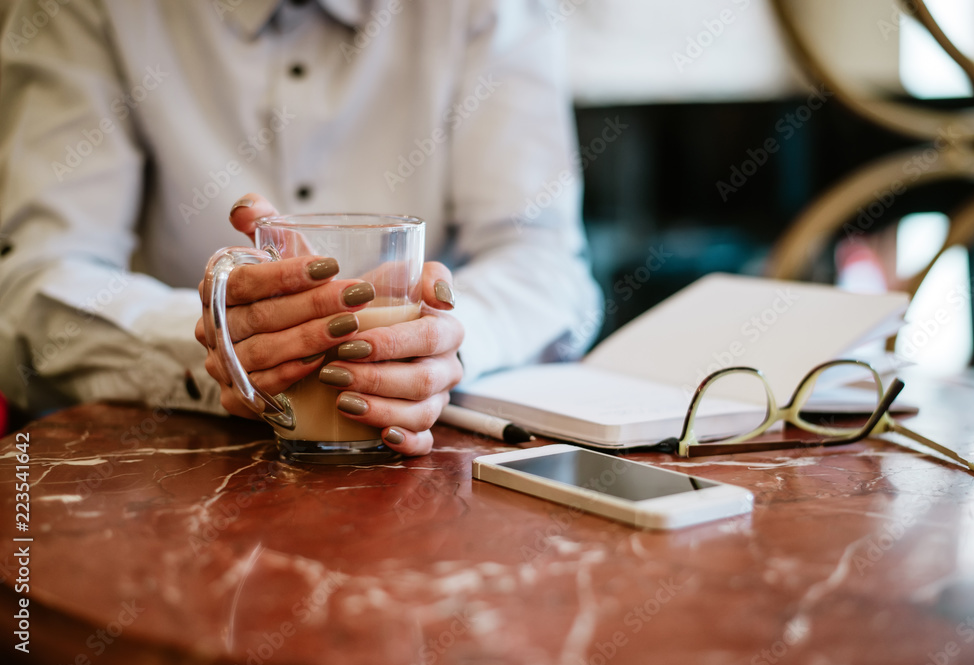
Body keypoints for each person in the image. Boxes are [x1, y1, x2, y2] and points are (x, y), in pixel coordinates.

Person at [0, 0, 601, 453]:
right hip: (184, 462)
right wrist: (217, 352)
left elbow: (544, 261)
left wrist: (443, 346)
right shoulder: (86, 9)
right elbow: (33, 284)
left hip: (419, 467)